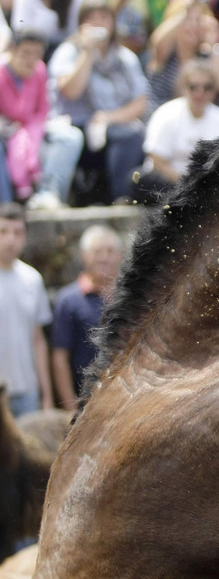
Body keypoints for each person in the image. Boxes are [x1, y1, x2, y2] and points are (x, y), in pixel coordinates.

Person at [48, 0, 148, 205]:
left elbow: (140, 103)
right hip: (76, 126)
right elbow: (71, 91)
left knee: (132, 135)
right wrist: (87, 53)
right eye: (91, 18)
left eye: (103, 18)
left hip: (113, 125)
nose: (98, 24)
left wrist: (109, 118)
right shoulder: (68, 52)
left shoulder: (125, 57)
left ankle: (121, 198)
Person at [0, 30, 82, 208]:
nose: (31, 60)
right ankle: (5, 206)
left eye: (36, 55)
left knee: (71, 137)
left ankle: (48, 195)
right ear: (12, 50)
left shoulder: (39, 70)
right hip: (6, 134)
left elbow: (42, 110)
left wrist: (29, 132)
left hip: (33, 130)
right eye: (26, 53)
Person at [139, 60, 219, 202]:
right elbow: (157, 161)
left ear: (214, 90)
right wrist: (185, 183)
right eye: (193, 87)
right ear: (184, 88)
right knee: (140, 180)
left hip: (206, 185)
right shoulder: (166, 114)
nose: (200, 93)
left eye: (207, 87)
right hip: (170, 181)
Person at [51, 224, 123, 410]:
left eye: (110, 251)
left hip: (126, 400)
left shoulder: (133, 297)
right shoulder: (68, 300)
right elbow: (60, 357)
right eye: (97, 251)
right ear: (84, 256)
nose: (104, 257)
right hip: (85, 403)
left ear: (120, 255)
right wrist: (69, 409)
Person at [0, 202, 54, 418]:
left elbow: (38, 339)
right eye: (3, 231)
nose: (10, 239)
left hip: (27, 390)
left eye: (18, 232)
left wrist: (47, 394)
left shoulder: (32, 279)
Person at [145, 0, 219, 114]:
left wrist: (212, 44)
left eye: (198, 20)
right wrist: (186, 11)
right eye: (187, 20)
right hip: (166, 120)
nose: (192, 26)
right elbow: (155, 44)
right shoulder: (165, 54)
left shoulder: (207, 56)